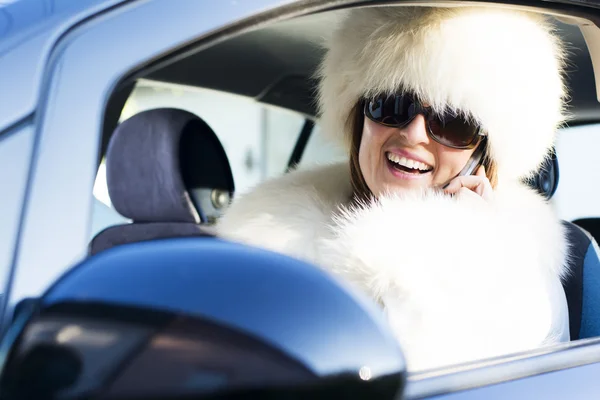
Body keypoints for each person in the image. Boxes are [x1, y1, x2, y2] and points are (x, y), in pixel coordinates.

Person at [216, 6, 574, 372]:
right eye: (391, 105)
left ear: (482, 155)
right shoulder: (266, 250)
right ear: (359, 119)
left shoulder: (520, 277)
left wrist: (466, 253)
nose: (413, 134)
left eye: (453, 124)